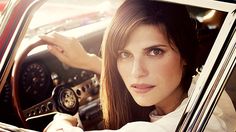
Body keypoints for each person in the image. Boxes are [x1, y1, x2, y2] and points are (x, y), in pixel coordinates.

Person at [40, 0, 235, 131]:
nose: (136, 72)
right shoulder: (208, 90)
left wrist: (62, 122)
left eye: (155, 52)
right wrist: (89, 61)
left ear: (185, 54)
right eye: (124, 54)